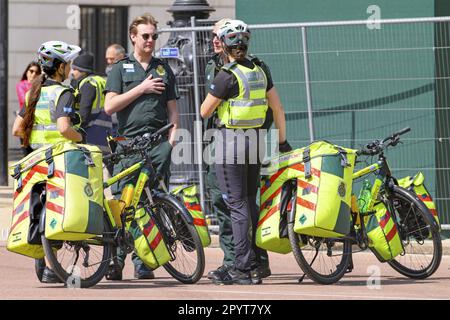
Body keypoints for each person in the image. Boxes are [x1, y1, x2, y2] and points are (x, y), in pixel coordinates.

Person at [201, 20, 291, 285]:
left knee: (236, 206)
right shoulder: (261, 69)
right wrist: (283, 142)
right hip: (257, 141)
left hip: (231, 144)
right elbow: (278, 109)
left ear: (226, 45)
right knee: (250, 203)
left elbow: (204, 111)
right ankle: (254, 265)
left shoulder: (227, 75)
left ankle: (241, 268)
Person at [104, 13, 179, 281]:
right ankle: (116, 261)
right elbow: (110, 106)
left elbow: (173, 110)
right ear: (133, 37)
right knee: (124, 206)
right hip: (128, 146)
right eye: (145, 36)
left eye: (153, 36)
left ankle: (145, 261)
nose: (150, 40)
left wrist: (171, 141)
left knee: (154, 204)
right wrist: (142, 88)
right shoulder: (119, 69)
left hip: (158, 144)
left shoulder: (163, 69)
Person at [12, 40, 84, 284]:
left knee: (40, 209)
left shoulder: (34, 91)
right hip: (59, 160)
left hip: (36, 161)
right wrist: (80, 136)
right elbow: (65, 128)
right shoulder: (62, 92)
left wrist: (36, 138)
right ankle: (53, 270)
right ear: (60, 67)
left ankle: (44, 266)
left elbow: (16, 129)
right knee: (59, 210)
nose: (70, 68)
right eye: (68, 64)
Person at [70, 53, 112, 154]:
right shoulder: (101, 81)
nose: (72, 72)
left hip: (91, 135)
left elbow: (83, 113)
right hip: (105, 133)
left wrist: (76, 131)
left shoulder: (88, 84)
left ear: (83, 71)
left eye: (75, 69)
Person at [15, 61, 41, 155]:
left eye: (37, 72)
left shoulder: (40, 86)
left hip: (37, 119)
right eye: (31, 71)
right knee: (27, 152)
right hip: (25, 119)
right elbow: (24, 100)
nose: (33, 74)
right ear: (27, 72)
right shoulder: (21, 85)